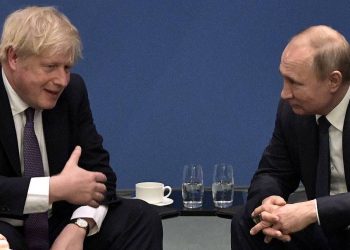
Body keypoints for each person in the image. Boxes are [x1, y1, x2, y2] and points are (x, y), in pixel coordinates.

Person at [0, 6, 163, 250]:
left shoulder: (71, 93)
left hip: (59, 221)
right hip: (5, 225)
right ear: (13, 58)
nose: (62, 80)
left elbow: (102, 177)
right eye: (50, 67)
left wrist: (80, 224)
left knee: (140, 217)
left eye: (67, 68)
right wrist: (54, 189)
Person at [231, 25, 350, 249]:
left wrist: (312, 209)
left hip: (328, 218)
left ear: (333, 81)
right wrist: (269, 202)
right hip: (325, 230)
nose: (284, 93)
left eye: (295, 83)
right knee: (248, 223)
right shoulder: (293, 112)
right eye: (284, 79)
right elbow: (273, 171)